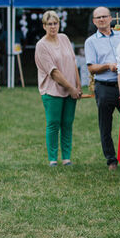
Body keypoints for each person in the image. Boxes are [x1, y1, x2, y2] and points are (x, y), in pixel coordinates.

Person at [34, 11, 81, 166]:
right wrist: (70, 88)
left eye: (55, 23)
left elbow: (73, 63)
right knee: (53, 123)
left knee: (67, 123)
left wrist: (78, 85)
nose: (53, 27)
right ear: (44, 26)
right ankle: (53, 159)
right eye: (49, 24)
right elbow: (53, 72)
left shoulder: (64, 38)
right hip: (52, 90)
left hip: (71, 89)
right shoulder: (41, 45)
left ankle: (66, 158)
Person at [85, 7, 120, 170]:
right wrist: (108, 66)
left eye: (104, 16)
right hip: (104, 86)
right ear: (94, 21)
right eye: (98, 17)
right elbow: (91, 68)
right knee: (105, 125)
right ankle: (111, 159)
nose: (101, 19)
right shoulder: (91, 41)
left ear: (111, 18)